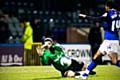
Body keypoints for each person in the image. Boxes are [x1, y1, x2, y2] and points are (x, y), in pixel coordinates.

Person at [78, 0, 120, 79]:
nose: (105, 7)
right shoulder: (119, 13)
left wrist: (85, 16)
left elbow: (97, 19)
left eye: (106, 6)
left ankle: (85, 74)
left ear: (108, 6)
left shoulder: (108, 13)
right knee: (96, 56)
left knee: (115, 61)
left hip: (110, 41)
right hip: (112, 40)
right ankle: (85, 75)